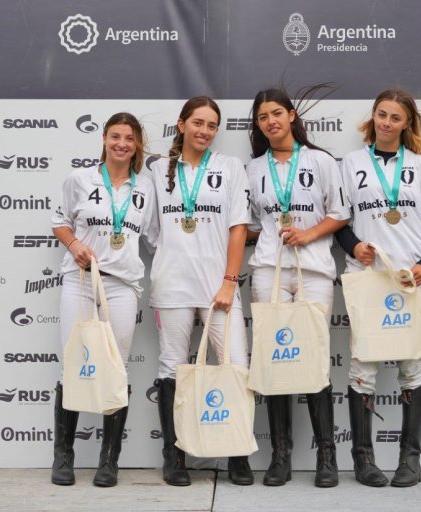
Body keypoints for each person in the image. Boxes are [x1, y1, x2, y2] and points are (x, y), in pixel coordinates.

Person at [336, 88, 421, 487]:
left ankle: (411, 460)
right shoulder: (351, 163)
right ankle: (363, 461)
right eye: (381, 115)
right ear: (372, 117)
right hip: (367, 279)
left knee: (412, 364)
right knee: (362, 366)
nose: (387, 123)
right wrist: (354, 245)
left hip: (410, 280)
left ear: (407, 125)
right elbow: (340, 221)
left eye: (395, 118)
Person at [246, 87, 350, 488]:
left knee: (314, 358)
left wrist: (307, 235)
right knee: (274, 361)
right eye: (262, 117)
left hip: (314, 270)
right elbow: (253, 224)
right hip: (269, 270)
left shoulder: (321, 160)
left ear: (291, 116)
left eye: (276, 113)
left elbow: (340, 213)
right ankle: (280, 457)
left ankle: (327, 457)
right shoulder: (254, 169)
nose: (270, 121)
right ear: (257, 126)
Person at [149, 96, 253, 487]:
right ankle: (174, 457)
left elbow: (238, 227)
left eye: (212, 125)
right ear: (181, 124)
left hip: (218, 288)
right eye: (198, 123)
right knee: (172, 367)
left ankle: (238, 456)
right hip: (172, 285)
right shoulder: (158, 171)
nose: (204, 131)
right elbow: (152, 232)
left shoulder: (229, 168)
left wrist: (229, 281)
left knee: (236, 366)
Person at [50, 112, 158, 487]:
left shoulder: (146, 188)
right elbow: (59, 220)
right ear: (104, 138)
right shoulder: (80, 179)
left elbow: (156, 239)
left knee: (116, 368)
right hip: (79, 282)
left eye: (129, 138)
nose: (122, 144)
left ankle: (109, 460)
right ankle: (63, 457)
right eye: (115, 136)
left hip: (122, 286)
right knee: (72, 364)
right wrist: (75, 243)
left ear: (137, 144)